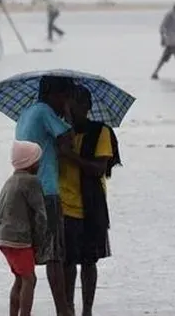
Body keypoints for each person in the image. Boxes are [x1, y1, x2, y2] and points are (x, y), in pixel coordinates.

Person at [15, 76, 80, 316]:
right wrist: (68, 114)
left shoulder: (26, 113)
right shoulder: (44, 111)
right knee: (54, 254)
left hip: (25, 188)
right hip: (46, 189)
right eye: (65, 97)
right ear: (54, 94)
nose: (66, 101)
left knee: (25, 255)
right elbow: (68, 141)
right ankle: (63, 310)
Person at [59, 86, 121, 316]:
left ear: (87, 106)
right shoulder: (59, 131)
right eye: (68, 103)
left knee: (89, 260)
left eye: (76, 103)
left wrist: (70, 155)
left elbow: (98, 168)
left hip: (91, 204)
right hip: (64, 204)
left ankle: (87, 310)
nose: (71, 108)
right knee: (67, 262)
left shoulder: (100, 132)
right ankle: (68, 308)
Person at [0, 141, 49, 316]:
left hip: (2, 237)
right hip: (19, 239)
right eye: (38, 160)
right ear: (31, 162)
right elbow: (41, 215)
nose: (40, 164)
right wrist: (41, 242)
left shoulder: (10, 181)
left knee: (20, 278)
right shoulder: (31, 181)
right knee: (29, 279)